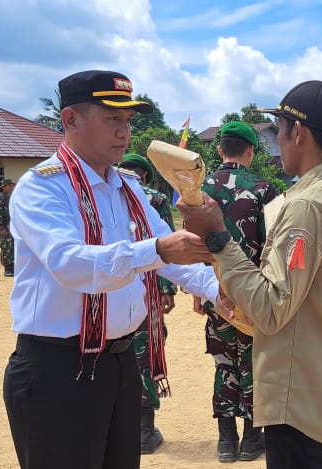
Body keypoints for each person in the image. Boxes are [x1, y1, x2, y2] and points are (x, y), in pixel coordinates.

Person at [1, 70, 223, 469]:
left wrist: (223, 292)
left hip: (119, 363)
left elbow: (177, 259)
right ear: (70, 120)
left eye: (127, 121)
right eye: (111, 119)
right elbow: (72, 265)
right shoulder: (42, 187)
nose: (124, 132)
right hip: (58, 369)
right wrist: (157, 250)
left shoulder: (128, 187)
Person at [177, 80, 322, 469]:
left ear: (298, 132)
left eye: (281, 131)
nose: (278, 143)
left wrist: (219, 238)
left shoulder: (307, 205)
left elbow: (270, 307)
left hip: (302, 404)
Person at [197, 120, 277, 462]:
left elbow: (192, 244)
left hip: (215, 291)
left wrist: (198, 292)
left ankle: (225, 440)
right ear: (251, 151)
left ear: (219, 150)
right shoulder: (264, 190)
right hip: (253, 293)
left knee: (223, 362)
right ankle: (251, 439)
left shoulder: (198, 190)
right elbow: (274, 246)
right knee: (254, 363)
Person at [116, 152, 178, 454]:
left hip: (107, 292)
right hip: (147, 289)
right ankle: (144, 431)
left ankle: (122, 429)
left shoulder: (103, 190)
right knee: (146, 353)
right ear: (144, 174)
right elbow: (166, 246)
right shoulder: (154, 197)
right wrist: (168, 289)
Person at [0, 178, 17, 277]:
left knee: (14, 247)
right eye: (9, 185)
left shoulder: (14, 196)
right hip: (5, 227)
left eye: (12, 185)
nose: (11, 187)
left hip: (14, 227)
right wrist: (1, 227)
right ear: (4, 187)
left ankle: (14, 267)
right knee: (6, 248)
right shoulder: (0, 197)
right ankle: (7, 268)